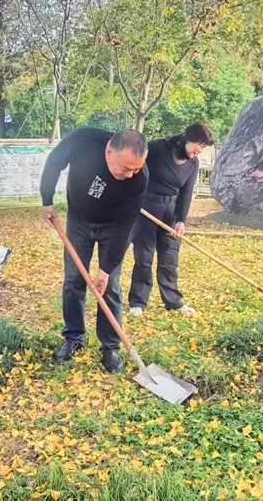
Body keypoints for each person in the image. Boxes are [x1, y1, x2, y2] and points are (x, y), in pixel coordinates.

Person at [40, 128, 149, 373]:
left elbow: (126, 226)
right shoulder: (83, 140)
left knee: (109, 285)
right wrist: (46, 199)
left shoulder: (140, 178)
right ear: (109, 151)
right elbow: (54, 162)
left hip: (114, 227)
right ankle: (73, 337)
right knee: (73, 279)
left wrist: (106, 269)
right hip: (79, 220)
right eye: (125, 168)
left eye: (136, 169)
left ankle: (110, 347)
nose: (131, 174)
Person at [127, 122, 214, 317]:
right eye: (200, 144)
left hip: (171, 214)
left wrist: (181, 220)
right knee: (144, 258)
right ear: (188, 139)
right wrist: (132, 198)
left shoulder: (193, 163)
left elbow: (187, 192)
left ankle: (173, 302)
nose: (201, 150)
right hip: (146, 210)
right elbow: (135, 170)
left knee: (169, 259)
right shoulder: (157, 148)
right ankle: (137, 302)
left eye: (204, 147)